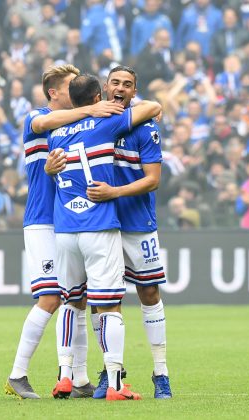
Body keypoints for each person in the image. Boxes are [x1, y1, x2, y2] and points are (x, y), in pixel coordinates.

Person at [5, 64, 125, 400]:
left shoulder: (76, 125)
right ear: (54, 92)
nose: (75, 92)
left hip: (69, 222)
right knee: (50, 298)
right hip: (42, 220)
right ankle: (17, 374)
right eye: (70, 86)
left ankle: (81, 379)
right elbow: (40, 125)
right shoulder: (38, 117)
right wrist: (91, 109)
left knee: (78, 299)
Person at [48, 74, 161, 401]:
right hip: (98, 225)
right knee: (109, 305)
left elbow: (54, 170)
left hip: (65, 229)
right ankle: (115, 384)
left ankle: (65, 376)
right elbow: (150, 108)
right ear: (99, 97)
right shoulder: (106, 123)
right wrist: (151, 106)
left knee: (70, 302)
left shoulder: (56, 133)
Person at [78, 65, 172, 399]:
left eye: (127, 84)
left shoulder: (145, 129)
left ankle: (161, 372)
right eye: (115, 82)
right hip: (102, 224)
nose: (120, 88)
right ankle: (111, 370)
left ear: (134, 92)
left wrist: (114, 193)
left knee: (149, 294)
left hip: (137, 223)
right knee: (104, 300)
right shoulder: (91, 123)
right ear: (105, 88)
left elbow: (153, 180)